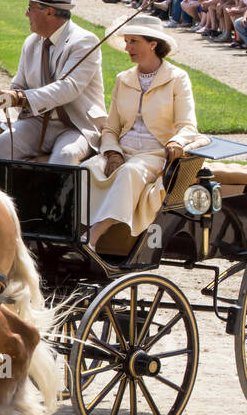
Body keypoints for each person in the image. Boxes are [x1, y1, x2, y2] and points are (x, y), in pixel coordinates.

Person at [83, 15, 201, 251]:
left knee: (129, 172)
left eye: (133, 42)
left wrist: (176, 142)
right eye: (126, 42)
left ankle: (93, 236)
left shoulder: (177, 79)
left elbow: (188, 125)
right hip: (124, 151)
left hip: (155, 153)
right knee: (86, 170)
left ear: (153, 44)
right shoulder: (123, 79)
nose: (127, 48)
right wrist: (112, 152)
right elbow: (111, 128)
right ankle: (77, 228)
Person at [0, 0, 105, 166]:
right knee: (0, 145)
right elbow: (19, 85)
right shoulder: (32, 42)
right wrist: (9, 95)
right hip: (38, 122)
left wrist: (20, 97)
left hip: (76, 126)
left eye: (30, 8)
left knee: (66, 155)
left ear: (49, 11)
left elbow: (69, 87)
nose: (26, 14)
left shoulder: (84, 42)